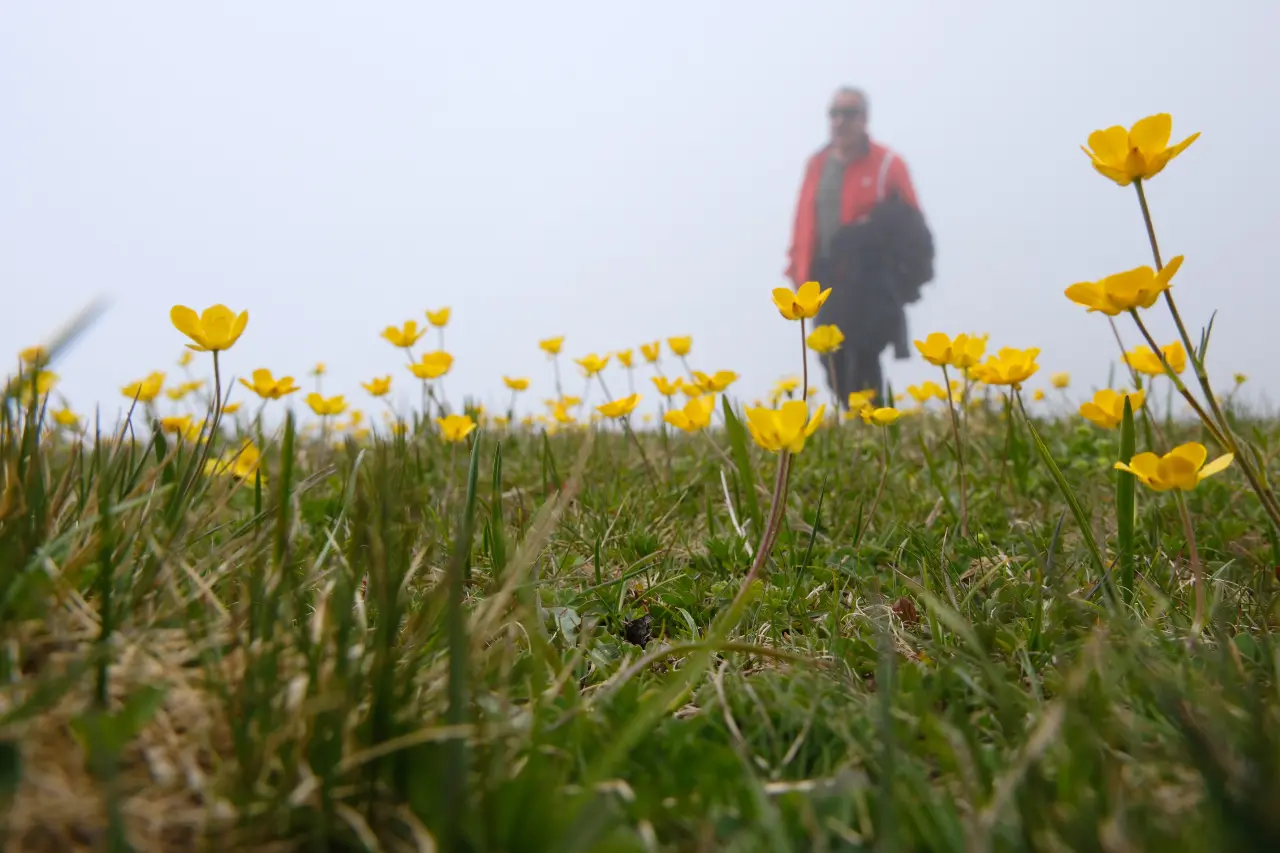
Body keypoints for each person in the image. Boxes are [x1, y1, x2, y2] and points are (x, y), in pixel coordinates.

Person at [785, 87, 934, 406]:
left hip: (871, 282)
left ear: (864, 118)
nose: (840, 121)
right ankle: (859, 419)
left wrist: (871, 231)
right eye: (834, 113)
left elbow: (913, 225)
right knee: (831, 357)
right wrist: (796, 268)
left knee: (863, 355)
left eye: (849, 113)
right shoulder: (817, 164)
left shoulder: (888, 164)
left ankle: (876, 421)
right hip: (825, 280)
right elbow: (803, 219)